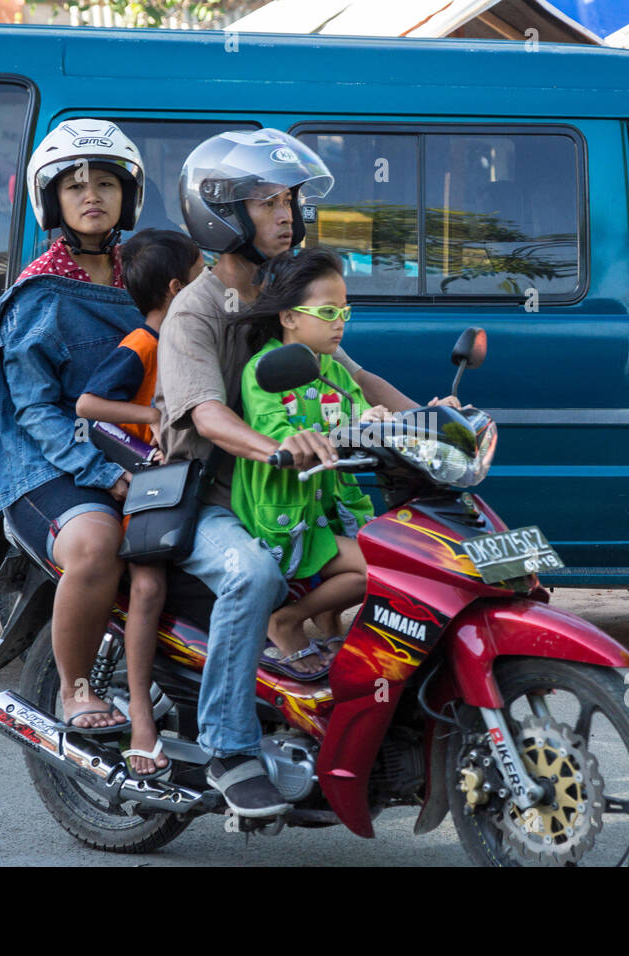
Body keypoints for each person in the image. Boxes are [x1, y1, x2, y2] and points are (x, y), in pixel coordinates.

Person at [156, 128, 456, 817]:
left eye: (289, 199)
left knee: (396, 562)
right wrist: (277, 448)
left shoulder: (279, 296)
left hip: (288, 498)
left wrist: (432, 420)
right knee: (253, 573)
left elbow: (356, 377)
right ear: (220, 210)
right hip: (207, 498)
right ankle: (229, 748)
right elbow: (204, 414)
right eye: (266, 200)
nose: (286, 213)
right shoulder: (193, 313)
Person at [0, 119, 146, 738]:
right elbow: (37, 413)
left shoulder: (149, 279)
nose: (92, 195)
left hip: (139, 457)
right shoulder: (40, 294)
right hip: (48, 467)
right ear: (52, 202)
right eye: (75, 187)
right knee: (96, 547)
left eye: (106, 182)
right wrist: (104, 471)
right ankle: (75, 690)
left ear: (130, 195)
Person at [73, 228, 204, 778]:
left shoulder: (193, 340)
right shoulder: (144, 345)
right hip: (152, 485)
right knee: (148, 584)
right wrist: (153, 417)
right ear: (176, 290)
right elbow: (88, 402)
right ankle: (144, 719)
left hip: (191, 481)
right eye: (203, 274)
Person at [233, 248, 384, 681]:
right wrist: (293, 439)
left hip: (330, 510)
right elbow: (271, 427)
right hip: (286, 514)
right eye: (328, 311)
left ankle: (328, 624)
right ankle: (284, 621)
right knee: (377, 570)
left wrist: (384, 421)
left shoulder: (334, 370)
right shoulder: (264, 370)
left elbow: (358, 416)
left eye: (345, 311)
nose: (339, 321)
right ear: (289, 317)